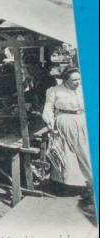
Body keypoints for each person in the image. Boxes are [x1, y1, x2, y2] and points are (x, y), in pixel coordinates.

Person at [42, 68, 92, 196]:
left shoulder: (83, 88)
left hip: (83, 121)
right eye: (74, 80)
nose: (78, 82)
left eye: (79, 79)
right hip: (65, 123)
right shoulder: (54, 91)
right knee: (67, 155)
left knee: (86, 152)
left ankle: (91, 182)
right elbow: (48, 108)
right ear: (65, 80)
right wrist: (50, 121)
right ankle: (71, 185)